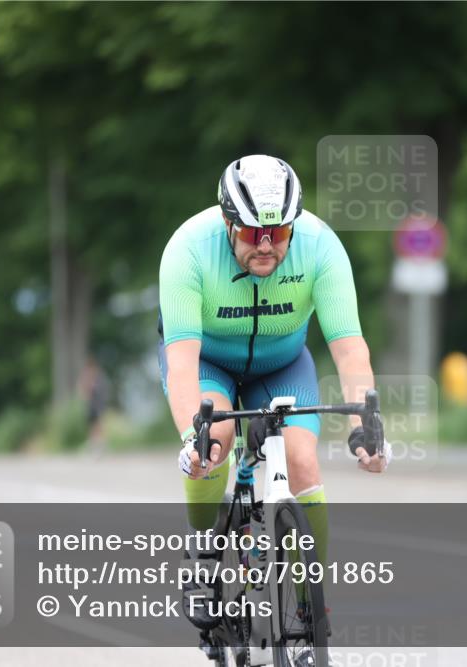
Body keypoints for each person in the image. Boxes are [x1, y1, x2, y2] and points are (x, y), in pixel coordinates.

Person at [157, 154, 390, 630]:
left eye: (279, 234)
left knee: (303, 460)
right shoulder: (188, 250)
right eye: (250, 234)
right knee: (214, 443)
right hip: (208, 364)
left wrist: (365, 426)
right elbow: (181, 363)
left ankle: (310, 608)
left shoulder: (322, 247)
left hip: (282, 364)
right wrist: (192, 439)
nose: (265, 247)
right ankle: (204, 555)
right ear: (227, 221)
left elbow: (349, 350)